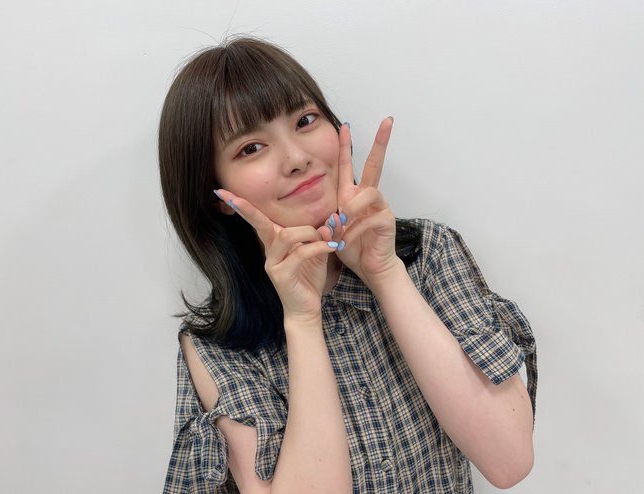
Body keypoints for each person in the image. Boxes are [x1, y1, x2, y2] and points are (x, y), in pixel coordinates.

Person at [158, 36, 537, 494]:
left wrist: (386, 274)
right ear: (218, 195)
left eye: (305, 120)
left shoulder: (428, 254)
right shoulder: (217, 345)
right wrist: (302, 320)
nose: (298, 158)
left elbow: (509, 460)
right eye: (251, 148)